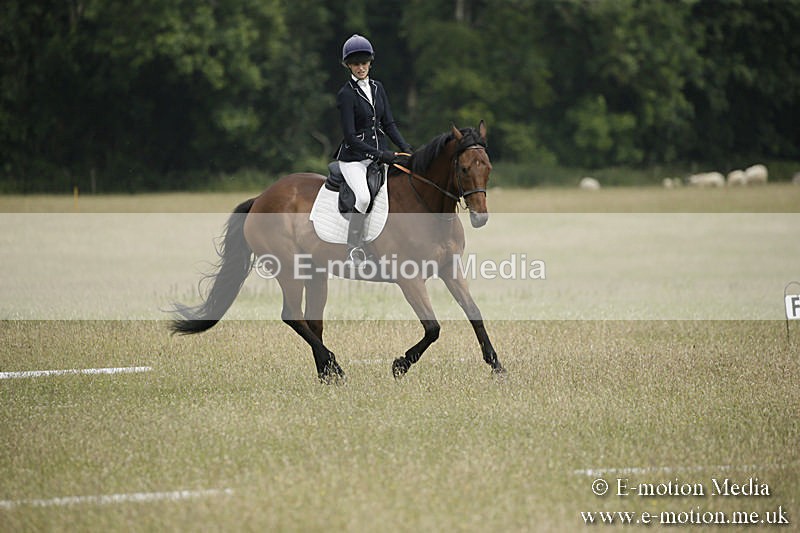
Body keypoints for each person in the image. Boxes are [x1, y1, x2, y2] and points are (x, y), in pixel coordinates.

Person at [334, 34, 413, 266]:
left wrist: (407, 150)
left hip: (381, 157)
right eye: (356, 63)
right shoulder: (346, 94)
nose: (361, 67)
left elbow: (389, 124)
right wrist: (380, 155)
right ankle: (353, 249)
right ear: (348, 65)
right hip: (354, 160)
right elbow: (350, 136)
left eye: (364, 62)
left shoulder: (378, 88)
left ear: (370, 62)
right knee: (363, 197)